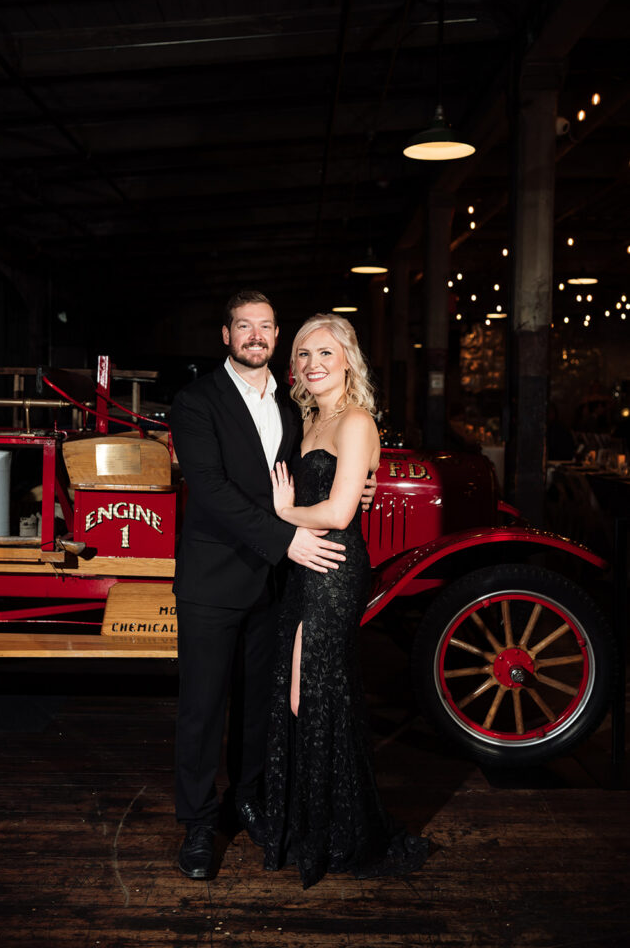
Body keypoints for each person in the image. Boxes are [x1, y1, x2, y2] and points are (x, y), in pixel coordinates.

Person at [170, 292, 375, 881]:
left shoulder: (295, 408)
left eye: (265, 327)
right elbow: (209, 489)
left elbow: (323, 470)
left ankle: (249, 801)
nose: (254, 335)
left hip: (278, 581)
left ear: (274, 335)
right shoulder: (196, 401)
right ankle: (200, 825)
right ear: (227, 335)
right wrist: (286, 537)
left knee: (261, 707)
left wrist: (358, 487)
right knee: (204, 707)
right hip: (217, 576)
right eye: (243, 326)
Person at [264, 312, 429, 889]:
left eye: (325, 353)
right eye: (304, 354)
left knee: (316, 688)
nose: (312, 364)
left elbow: (338, 514)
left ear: (348, 360)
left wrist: (282, 516)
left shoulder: (353, 420)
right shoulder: (311, 419)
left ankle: (339, 830)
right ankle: (319, 818)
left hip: (332, 566)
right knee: (300, 691)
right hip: (305, 564)